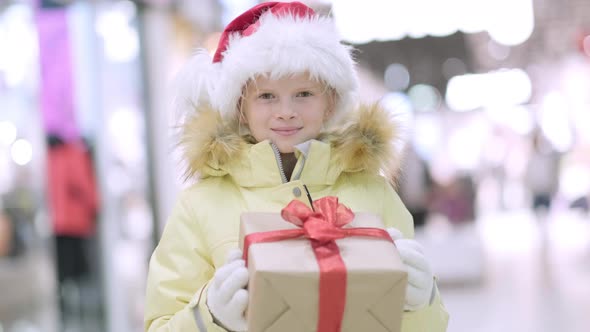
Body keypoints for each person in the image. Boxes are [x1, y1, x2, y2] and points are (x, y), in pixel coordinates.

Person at [144, 2, 449, 331]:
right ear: (240, 107)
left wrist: (422, 303)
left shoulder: (374, 192)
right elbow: (159, 324)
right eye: (267, 96)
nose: (286, 111)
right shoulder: (199, 206)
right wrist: (209, 317)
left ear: (330, 100)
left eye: (303, 93)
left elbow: (429, 325)